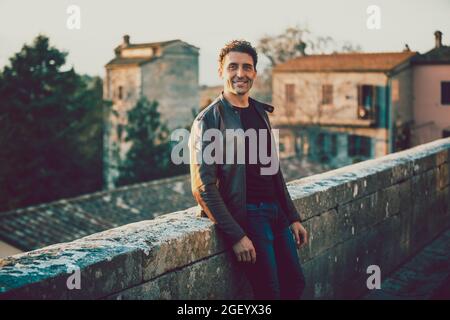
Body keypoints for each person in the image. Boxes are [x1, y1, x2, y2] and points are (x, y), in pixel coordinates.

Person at [189, 40, 308, 300]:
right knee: (270, 294)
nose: (240, 73)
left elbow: (273, 171)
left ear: (254, 72)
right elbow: (203, 187)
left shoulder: (259, 111)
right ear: (221, 71)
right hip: (249, 217)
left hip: (276, 214)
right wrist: (237, 235)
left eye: (247, 67)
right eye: (233, 67)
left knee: (296, 284)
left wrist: (292, 216)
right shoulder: (208, 120)